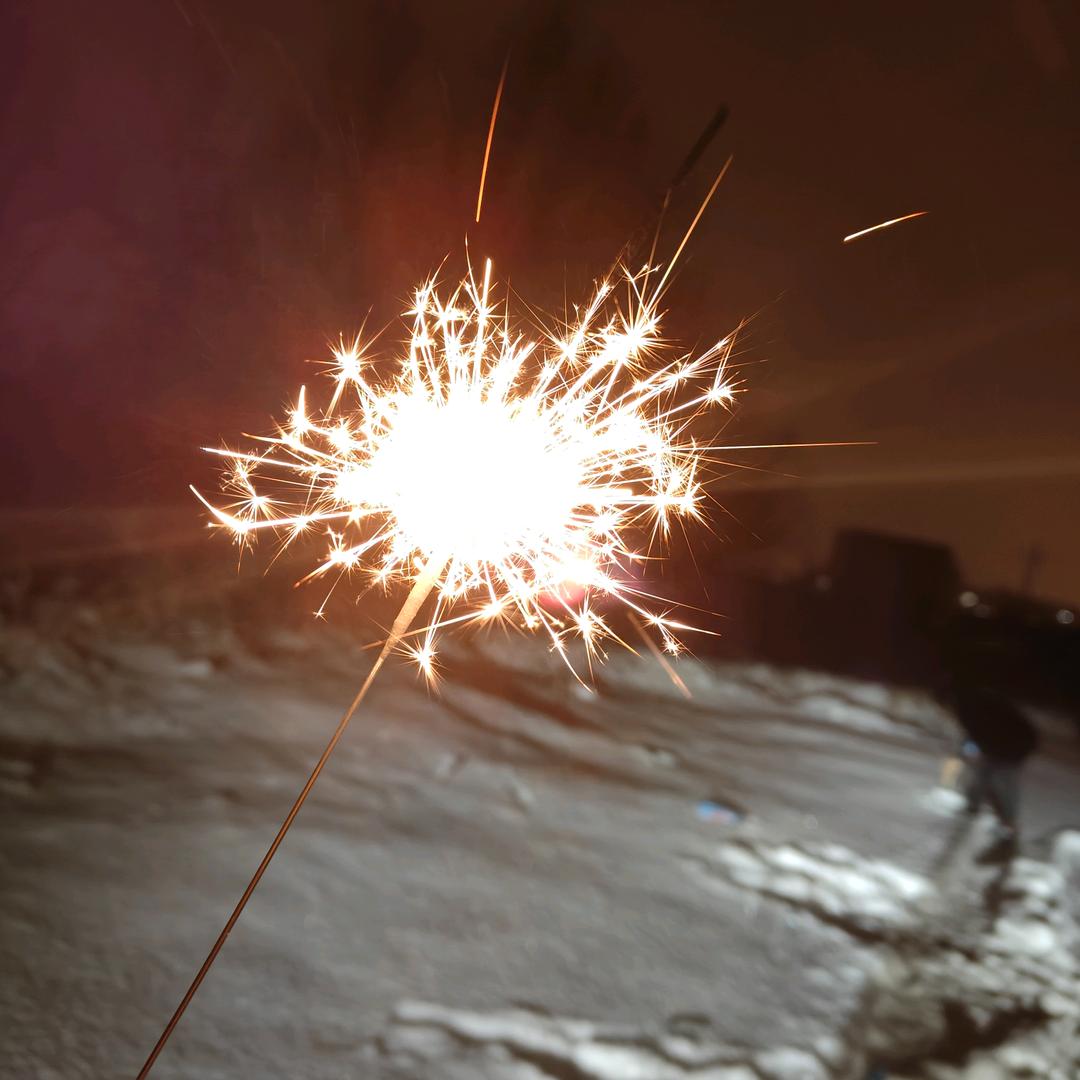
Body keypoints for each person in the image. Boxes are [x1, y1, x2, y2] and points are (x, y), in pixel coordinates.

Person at [938, 674, 1039, 841]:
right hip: (1006, 740)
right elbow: (975, 735)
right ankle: (974, 806)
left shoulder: (968, 706)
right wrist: (969, 749)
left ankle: (1008, 823)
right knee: (984, 774)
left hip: (1016, 742)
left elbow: (976, 734)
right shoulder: (972, 700)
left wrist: (967, 750)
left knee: (1000, 781)